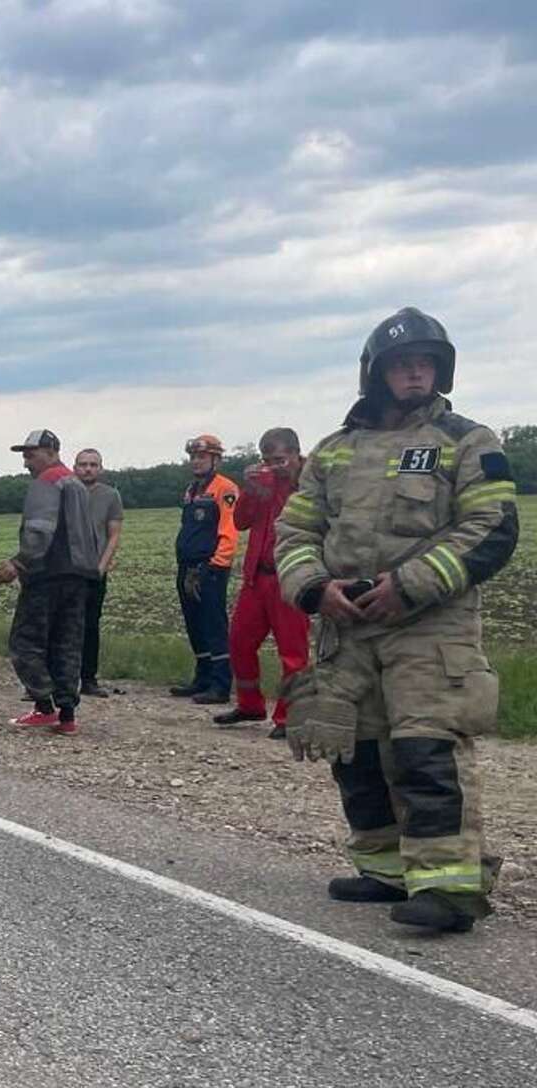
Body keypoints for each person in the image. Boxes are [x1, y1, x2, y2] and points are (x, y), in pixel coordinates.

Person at [276, 308, 518, 933]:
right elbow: (296, 529)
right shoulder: (334, 451)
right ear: (376, 372)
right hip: (346, 624)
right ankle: (384, 869)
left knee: (425, 749)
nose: (416, 372)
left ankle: (451, 886)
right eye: (403, 363)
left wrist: (407, 587)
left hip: (428, 626)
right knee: (352, 751)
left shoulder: (468, 440)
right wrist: (315, 588)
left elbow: (492, 527)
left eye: (426, 363)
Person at [0, 430, 100, 735]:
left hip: (47, 575)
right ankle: (67, 716)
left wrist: (18, 563)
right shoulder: (76, 483)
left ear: (51, 453)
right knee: (67, 645)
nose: (26, 463)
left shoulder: (47, 482)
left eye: (31, 455)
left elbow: (39, 530)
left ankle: (43, 706)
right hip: (79, 577)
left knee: (25, 642)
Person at [213, 428, 310, 740]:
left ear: (297, 455)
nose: (273, 466)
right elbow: (240, 522)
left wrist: (278, 489)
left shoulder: (309, 485)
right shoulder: (262, 482)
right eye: (267, 460)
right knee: (239, 641)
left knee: (292, 653)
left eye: (280, 460)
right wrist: (253, 489)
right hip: (257, 577)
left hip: (292, 578)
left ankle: (288, 717)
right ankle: (250, 704)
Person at [172, 434, 239, 703]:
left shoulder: (226, 489)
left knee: (213, 624)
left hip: (210, 566)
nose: (196, 461)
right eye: (194, 457)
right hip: (187, 565)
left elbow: (229, 530)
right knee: (194, 623)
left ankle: (221, 684)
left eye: (202, 456)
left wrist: (216, 564)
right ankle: (202, 678)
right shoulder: (192, 490)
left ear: (216, 459)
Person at [71, 448, 123, 698]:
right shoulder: (65, 491)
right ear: (75, 467)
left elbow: (113, 535)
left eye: (93, 464)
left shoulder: (110, 496)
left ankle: (88, 678)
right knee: (61, 625)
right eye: (83, 464)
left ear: (100, 468)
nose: (88, 469)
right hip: (67, 571)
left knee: (90, 626)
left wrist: (101, 568)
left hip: (94, 571)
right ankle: (55, 679)